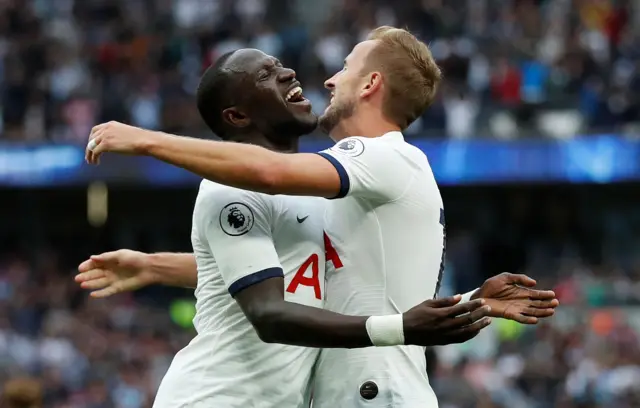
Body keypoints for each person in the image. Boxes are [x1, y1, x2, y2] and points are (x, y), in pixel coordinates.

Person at [84, 28, 558, 407]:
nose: (325, 80)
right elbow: (288, 269)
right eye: (269, 74)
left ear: (371, 84)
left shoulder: (371, 160)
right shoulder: (323, 186)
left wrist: (148, 140)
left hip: (370, 392)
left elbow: (268, 175)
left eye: (345, 69)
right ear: (238, 115)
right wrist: (155, 266)